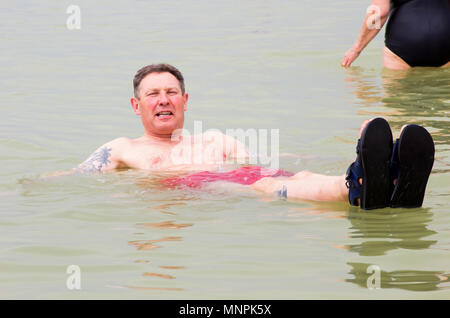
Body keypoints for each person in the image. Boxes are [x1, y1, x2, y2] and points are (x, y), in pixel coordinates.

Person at [73, 63, 434, 210]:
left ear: (185, 101)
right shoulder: (122, 148)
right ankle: (357, 183)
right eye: (153, 94)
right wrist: (20, 188)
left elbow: (264, 163)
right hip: (198, 186)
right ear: (137, 106)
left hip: (241, 178)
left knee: (292, 178)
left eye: (171, 92)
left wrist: (307, 161)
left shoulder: (214, 139)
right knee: (261, 186)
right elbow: (75, 179)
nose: (163, 100)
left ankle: (385, 175)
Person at [341, 0, 450, 69]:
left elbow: (379, 13)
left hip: (402, 41)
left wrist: (356, 48)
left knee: (397, 100)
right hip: (445, 39)